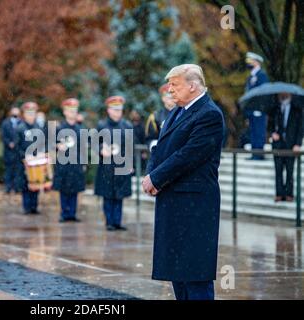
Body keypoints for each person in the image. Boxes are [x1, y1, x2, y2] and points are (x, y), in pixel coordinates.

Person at [142, 64, 225, 300]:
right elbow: (159, 148)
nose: (170, 90)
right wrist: (151, 174)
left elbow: (188, 155)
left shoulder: (209, 114)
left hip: (194, 205)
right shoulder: (177, 111)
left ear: (192, 85)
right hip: (174, 200)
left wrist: (156, 178)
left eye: (174, 84)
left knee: (195, 275)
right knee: (178, 272)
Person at [94, 96, 133, 231]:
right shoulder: (102, 125)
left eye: (119, 110)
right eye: (114, 109)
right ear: (108, 110)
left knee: (119, 195)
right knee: (108, 195)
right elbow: (94, 143)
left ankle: (117, 221)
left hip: (121, 165)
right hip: (107, 166)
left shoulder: (127, 125)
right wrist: (101, 149)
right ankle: (109, 221)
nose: (117, 112)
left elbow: (129, 146)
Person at [53, 98, 86, 223]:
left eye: (74, 110)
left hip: (76, 162)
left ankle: (72, 213)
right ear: (65, 112)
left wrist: (83, 162)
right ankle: (64, 213)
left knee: (74, 188)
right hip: (63, 162)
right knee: (64, 188)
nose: (72, 113)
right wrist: (57, 146)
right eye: (70, 110)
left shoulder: (80, 128)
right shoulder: (59, 127)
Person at [268, 93, 303, 202]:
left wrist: (298, 144)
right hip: (278, 145)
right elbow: (270, 125)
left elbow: (300, 128)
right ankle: (279, 193)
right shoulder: (275, 110)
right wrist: (273, 133)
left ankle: (289, 193)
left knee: (289, 170)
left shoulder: (297, 110)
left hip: (291, 145)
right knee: (278, 170)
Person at [15, 102, 45, 214]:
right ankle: (26, 207)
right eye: (29, 113)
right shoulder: (20, 128)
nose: (31, 115)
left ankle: (34, 206)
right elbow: (17, 146)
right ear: (24, 114)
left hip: (37, 160)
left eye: (33, 113)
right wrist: (24, 156)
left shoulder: (39, 127)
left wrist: (41, 153)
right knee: (26, 184)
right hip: (25, 161)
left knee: (36, 182)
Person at [244, 51, 269, 160]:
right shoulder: (251, 77)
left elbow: (264, 93)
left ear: (257, 62)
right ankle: (255, 153)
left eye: (251, 61)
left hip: (259, 109)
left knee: (259, 131)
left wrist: (261, 108)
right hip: (251, 109)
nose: (249, 63)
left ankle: (259, 154)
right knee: (253, 132)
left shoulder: (262, 75)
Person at [145, 83, 175, 151]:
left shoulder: (184, 113)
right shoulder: (155, 117)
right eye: (168, 96)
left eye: (172, 94)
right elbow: (150, 139)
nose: (171, 98)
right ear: (163, 98)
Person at [0, 107, 21, 193]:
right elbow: (3, 135)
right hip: (8, 151)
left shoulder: (21, 123)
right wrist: (9, 143)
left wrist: (15, 143)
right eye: (14, 111)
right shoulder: (5, 123)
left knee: (18, 170)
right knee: (8, 170)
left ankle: (17, 187)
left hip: (18, 151)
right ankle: (8, 188)